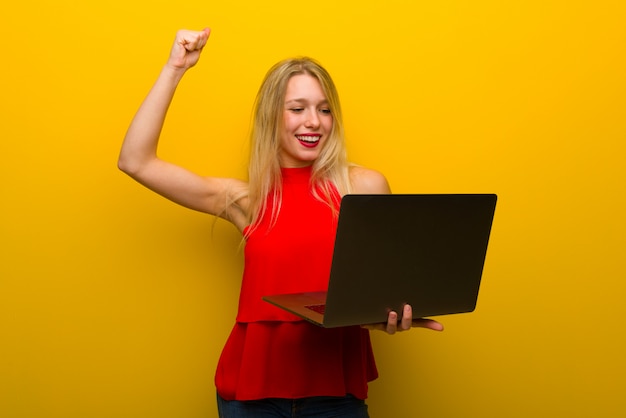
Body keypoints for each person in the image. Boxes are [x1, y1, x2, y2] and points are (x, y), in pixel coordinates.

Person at [118, 27, 444, 418]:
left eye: (324, 109)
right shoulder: (247, 199)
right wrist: (175, 68)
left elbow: (380, 289)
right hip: (249, 398)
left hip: (335, 397)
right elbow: (135, 161)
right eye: (297, 108)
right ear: (273, 116)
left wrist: (385, 317)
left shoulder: (363, 187)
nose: (314, 122)